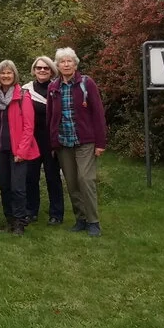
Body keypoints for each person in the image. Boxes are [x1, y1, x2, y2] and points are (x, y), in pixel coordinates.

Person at [47, 47, 107, 237]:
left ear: (75, 64)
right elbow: (50, 117)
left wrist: (100, 143)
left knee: (85, 180)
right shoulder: (53, 88)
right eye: (62, 62)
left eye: (69, 61)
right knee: (72, 183)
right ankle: (80, 219)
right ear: (57, 65)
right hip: (63, 143)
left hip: (85, 141)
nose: (66, 64)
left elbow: (98, 114)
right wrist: (53, 143)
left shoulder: (86, 83)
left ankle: (93, 222)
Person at [0, 60, 39, 236]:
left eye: (9, 73)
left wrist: (22, 151)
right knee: (5, 187)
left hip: (19, 151)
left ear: (14, 75)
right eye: (3, 73)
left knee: (18, 188)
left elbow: (29, 127)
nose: (6, 76)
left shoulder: (23, 96)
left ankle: (19, 222)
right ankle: (9, 220)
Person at [25, 56, 64, 225]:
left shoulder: (58, 89)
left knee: (52, 177)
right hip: (32, 140)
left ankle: (56, 214)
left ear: (52, 71)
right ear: (34, 70)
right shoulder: (26, 90)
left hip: (51, 141)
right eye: (39, 68)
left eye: (46, 68)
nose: (42, 70)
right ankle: (31, 211)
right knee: (30, 177)